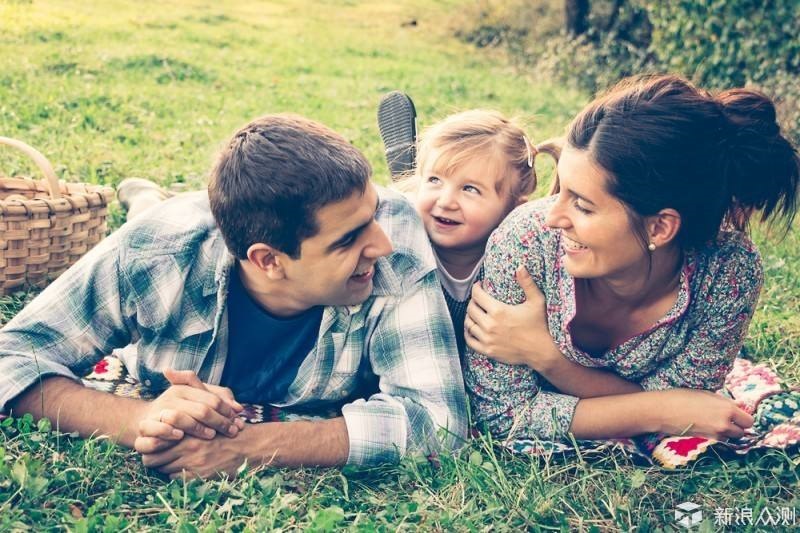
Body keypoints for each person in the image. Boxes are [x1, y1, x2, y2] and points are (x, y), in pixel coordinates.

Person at [0, 114, 468, 478]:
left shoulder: (396, 230)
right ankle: (145, 198)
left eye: (373, 216)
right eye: (347, 240)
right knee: (152, 214)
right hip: (178, 226)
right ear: (268, 260)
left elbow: (439, 419)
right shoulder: (156, 251)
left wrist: (245, 447)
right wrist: (141, 418)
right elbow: (12, 356)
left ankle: (148, 194)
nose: (381, 245)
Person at [464, 75, 799, 443]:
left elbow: (686, 403)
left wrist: (548, 360)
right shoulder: (527, 241)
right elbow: (503, 414)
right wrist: (662, 409)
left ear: (660, 228)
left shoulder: (728, 272)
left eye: (583, 205)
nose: (552, 217)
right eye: (562, 189)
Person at [396, 109, 540, 357]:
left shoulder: (517, 264)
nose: (446, 201)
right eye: (434, 180)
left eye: (470, 189)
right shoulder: (403, 243)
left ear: (514, 210)